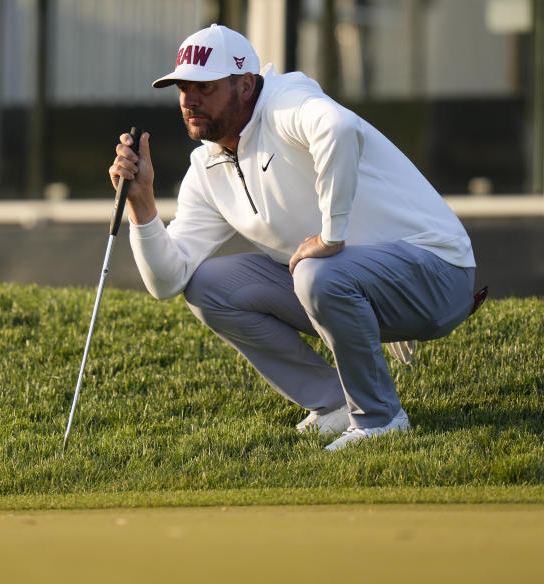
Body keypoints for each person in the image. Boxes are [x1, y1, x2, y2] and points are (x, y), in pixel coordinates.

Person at [110, 24, 478, 451]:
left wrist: (332, 236)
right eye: (182, 88)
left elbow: (338, 129)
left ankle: (380, 418)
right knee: (207, 286)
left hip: (439, 274)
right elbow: (166, 281)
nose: (189, 101)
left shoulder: (286, 102)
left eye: (205, 88)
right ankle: (334, 404)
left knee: (317, 272)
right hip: (353, 285)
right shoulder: (206, 167)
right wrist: (142, 204)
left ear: (245, 85)